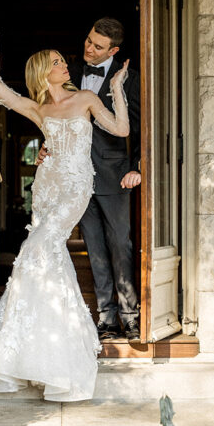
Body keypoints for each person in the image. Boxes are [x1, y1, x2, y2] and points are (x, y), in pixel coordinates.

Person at [0, 8, 130, 402]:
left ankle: (47, 347)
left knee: (36, 251)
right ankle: (39, 346)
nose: (66, 64)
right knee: (43, 257)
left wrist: (119, 88)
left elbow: (122, 129)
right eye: (58, 61)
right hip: (46, 187)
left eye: (64, 60)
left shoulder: (88, 98)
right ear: (45, 72)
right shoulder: (37, 108)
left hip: (76, 186)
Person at [38, 18, 141, 341]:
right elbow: (56, 117)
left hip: (115, 175)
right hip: (76, 178)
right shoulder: (68, 75)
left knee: (120, 245)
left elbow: (141, 126)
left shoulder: (129, 80)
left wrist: (136, 165)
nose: (89, 48)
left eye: (98, 46)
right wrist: (46, 147)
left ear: (114, 50)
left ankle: (131, 314)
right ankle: (107, 318)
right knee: (94, 248)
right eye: (88, 40)